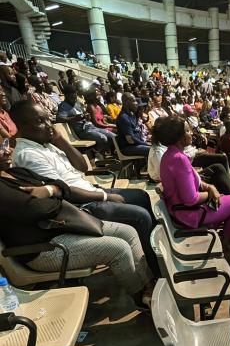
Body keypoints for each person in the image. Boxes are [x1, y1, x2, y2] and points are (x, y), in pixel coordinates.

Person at [9, 101, 159, 278]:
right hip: (80, 204)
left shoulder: (46, 144)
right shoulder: (28, 155)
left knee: (142, 196)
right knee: (140, 216)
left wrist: (61, 140)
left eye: (48, 120)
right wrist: (105, 197)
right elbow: (63, 192)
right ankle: (153, 269)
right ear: (22, 126)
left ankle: (154, 255)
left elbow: (82, 167)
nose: (49, 126)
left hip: (89, 190)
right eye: (40, 121)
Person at [0, 141, 153, 310]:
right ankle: (141, 298)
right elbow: (43, 208)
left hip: (63, 228)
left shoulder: (15, 172)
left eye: (5, 144)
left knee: (129, 232)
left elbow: (60, 185)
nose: (7, 151)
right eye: (0, 148)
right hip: (42, 249)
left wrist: (51, 190)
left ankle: (147, 284)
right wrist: (56, 191)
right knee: (119, 248)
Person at [159, 116, 230, 259]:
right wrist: (212, 194)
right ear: (179, 137)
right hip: (188, 214)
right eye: (187, 130)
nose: (191, 133)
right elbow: (191, 199)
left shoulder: (172, 154)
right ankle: (225, 244)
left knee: (227, 199)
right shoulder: (179, 159)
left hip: (180, 210)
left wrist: (210, 187)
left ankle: (219, 233)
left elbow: (195, 179)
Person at [56, 85, 113, 154]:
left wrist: (87, 116)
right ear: (66, 96)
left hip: (91, 127)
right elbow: (59, 119)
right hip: (82, 131)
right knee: (103, 138)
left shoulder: (77, 103)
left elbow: (83, 113)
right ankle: (95, 154)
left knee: (112, 136)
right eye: (72, 97)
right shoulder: (63, 106)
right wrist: (74, 118)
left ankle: (102, 154)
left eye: (75, 96)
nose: (74, 98)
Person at [116, 92, 150, 157]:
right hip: (128, 148)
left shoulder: (131, 115)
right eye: (133, 101)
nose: (136, 103)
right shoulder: (124, 117)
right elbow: (131, 139)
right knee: (153, 150)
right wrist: (146, 144)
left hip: (136, 145)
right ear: (126, 102)